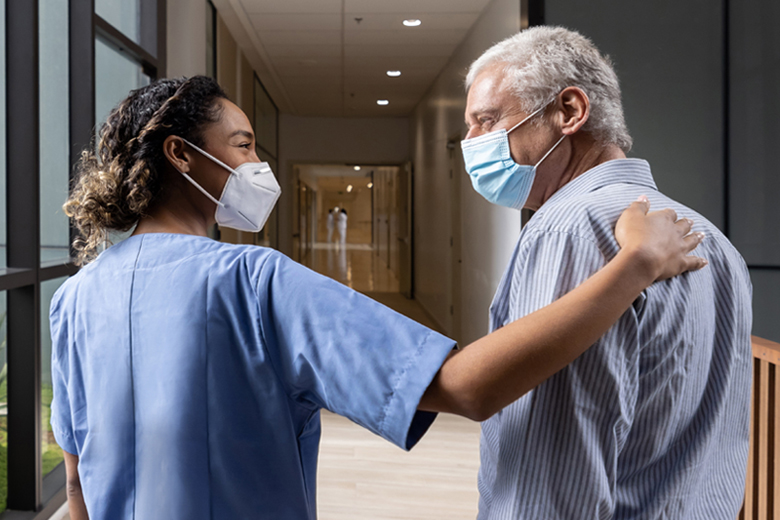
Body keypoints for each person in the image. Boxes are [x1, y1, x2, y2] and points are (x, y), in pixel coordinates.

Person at [51, 76, 704, 520]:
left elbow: (78, 479)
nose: (256, 166)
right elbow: (466, 388)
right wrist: (634, 265)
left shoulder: (75, 299)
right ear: (181, 155)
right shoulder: (253, 281)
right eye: (243, 146)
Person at [461, 26, 752, 519]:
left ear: (569, 111)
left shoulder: (570, 229)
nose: (470, 143)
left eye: (486, 120)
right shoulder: (716, 243)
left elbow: (549, 472)